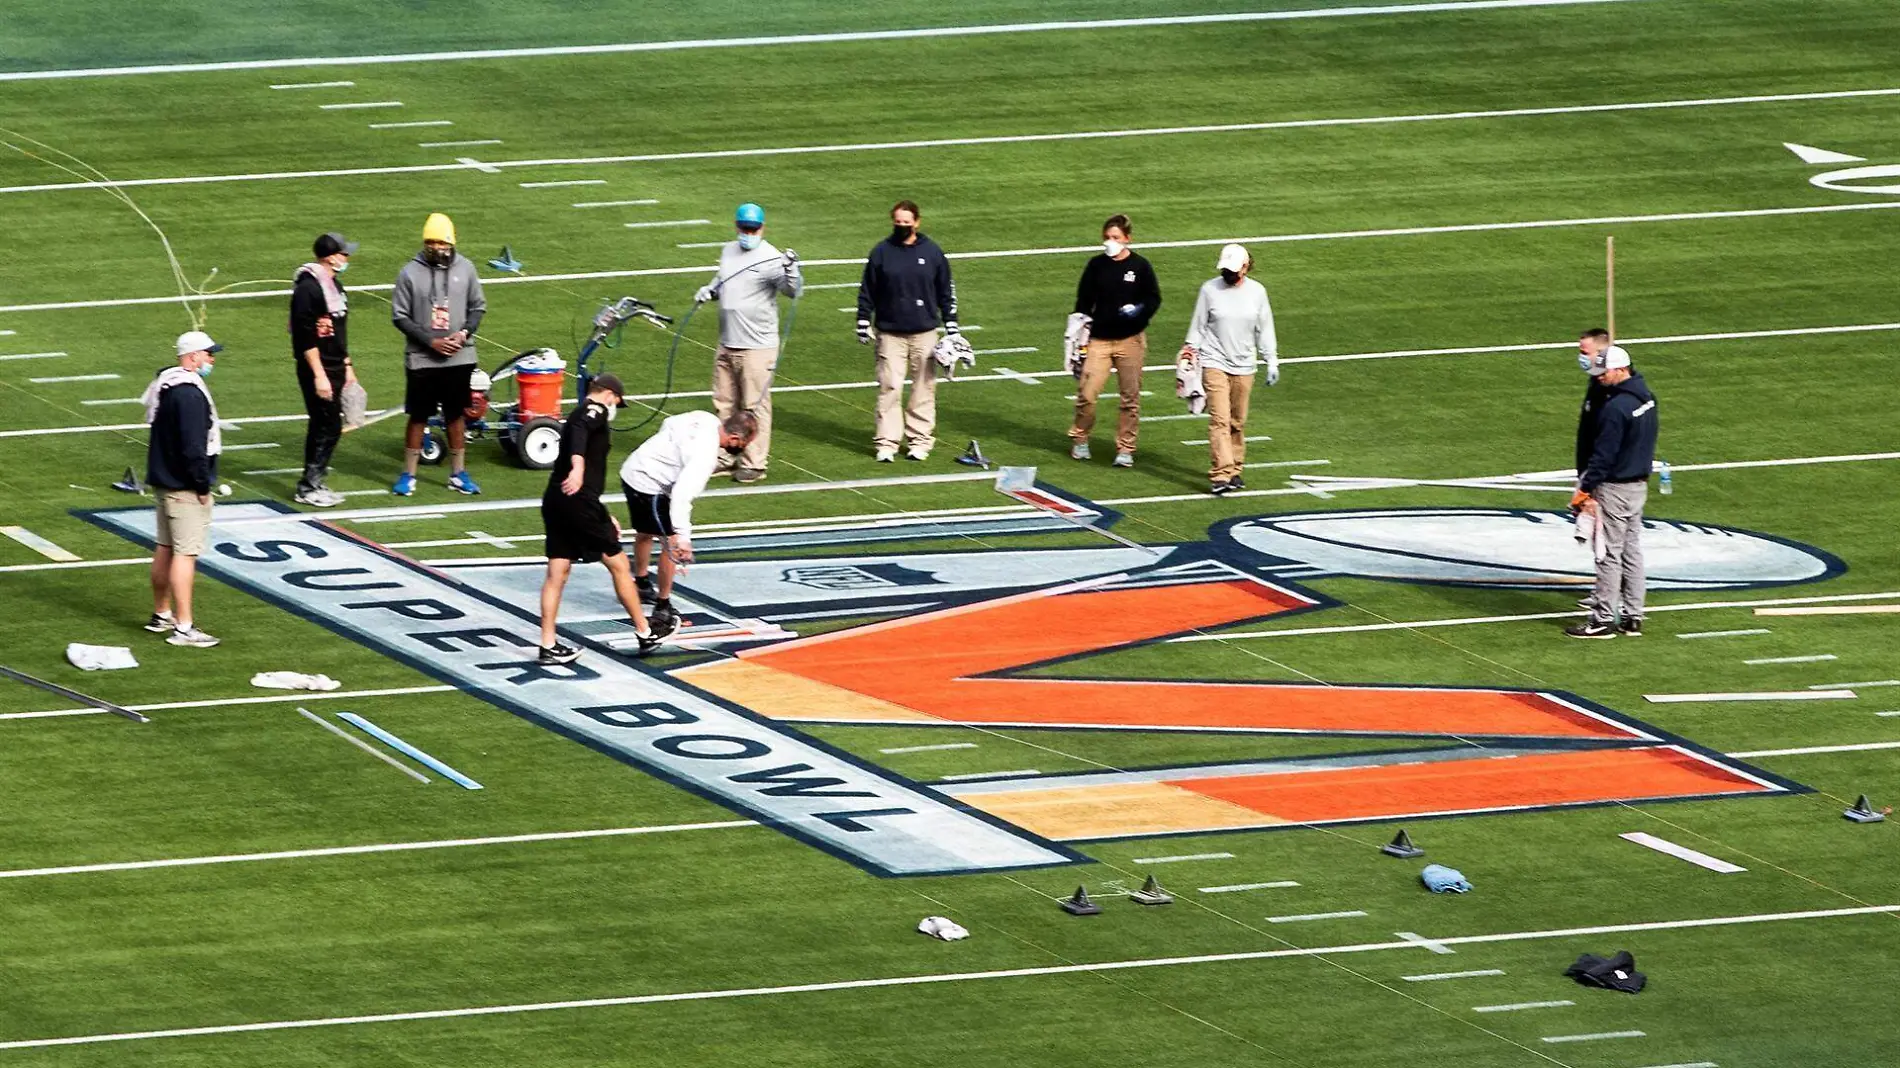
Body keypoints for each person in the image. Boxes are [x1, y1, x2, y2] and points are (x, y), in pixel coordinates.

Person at [536, 374, 675, 665]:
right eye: (616, 401)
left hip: (558, 499)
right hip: (579, 500)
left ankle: (547, 644)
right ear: (610, 394)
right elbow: (579, 430)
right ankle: (645, 630)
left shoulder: (580, 411)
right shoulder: (594, 410)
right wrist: (577, 467)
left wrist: (600, 510)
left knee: (557, 572)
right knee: (619, 564)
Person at [620, 409, 759, 629]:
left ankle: (642, 582)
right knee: (670, 545)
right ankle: (663, 606)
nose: (742, 448)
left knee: (645, 530)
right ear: (734, 439)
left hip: (633, 469)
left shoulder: (705, 418)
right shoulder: (705, 456)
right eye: (744, 443)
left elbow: (669, 422)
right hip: (649, 484)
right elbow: (682, 497)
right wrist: (683, 539)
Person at [694, 202, 801, 484]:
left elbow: (793, 291)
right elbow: (724, 278)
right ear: (737, 226)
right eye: (744, 228)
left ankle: (754, 462)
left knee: (754, 406)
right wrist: (711, 290)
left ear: (762, 228)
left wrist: (791, 269)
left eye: (753, 229)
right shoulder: (729, 250)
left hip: (757, 346)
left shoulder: (771, 258)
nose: (748, 233)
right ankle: (727, 455)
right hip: (727, 339)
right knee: (725, 403)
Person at [1565, 339, 1658, 639]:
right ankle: (1633, 616)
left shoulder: (1615, 408)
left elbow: (1603, 456)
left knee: (1607, 554)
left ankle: (1603, 619)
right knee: (1632, 551)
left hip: (1615, 488)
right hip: (1638, 484)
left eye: (1604, 372)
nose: (1599, 376)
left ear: (1620, 370)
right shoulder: (1646, 397)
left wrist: (1585, 489)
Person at [390, 212, 485, 497]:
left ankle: (458, 473)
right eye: (430, 243)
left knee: (456, 415)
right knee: (418, 416)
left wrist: (464, 334)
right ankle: (409, 474)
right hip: (422, 358)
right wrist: (431, 342)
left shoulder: (466, 269)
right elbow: (400, 317)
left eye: (441, 243)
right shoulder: (409, 272)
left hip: (459, 356)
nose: (436, 248)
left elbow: (478, 308)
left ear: (451, 242)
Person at [140, 330, 225, 648]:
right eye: (207, 353)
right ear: (192, 357)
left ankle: (162, 614)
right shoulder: (188, 393)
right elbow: (194, 447)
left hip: (165, 479)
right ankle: (184, 627)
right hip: (183, 484)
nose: (211, 359)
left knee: (164, 548)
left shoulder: (168, 382)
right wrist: (201, 485)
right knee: (185, 554)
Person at [856, 199, 958, 462]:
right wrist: (863, 320)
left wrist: (953, 327)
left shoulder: (933, 252)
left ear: (917, 222)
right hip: (890, 332)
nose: (902, 226)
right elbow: (868, 289)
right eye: (897, 222)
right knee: (889, 387)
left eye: (906, 222)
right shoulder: (881, 252)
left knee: (924, 388)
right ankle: (887, 443)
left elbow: (946, 291)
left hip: (924, 331)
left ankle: (920, 440)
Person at [1180, 243, 1278, 495]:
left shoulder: (1257, 292)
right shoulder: (1209, 290)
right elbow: (1198, 326)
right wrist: (1190, 352)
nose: (1228, 274)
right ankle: (1220, 474)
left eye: (1233, 269)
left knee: (1237, 420)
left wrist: (1272, 359)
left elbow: (1264, 328)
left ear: (1245, 267)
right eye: (1225, 269)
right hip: (1214, 361)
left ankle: (1235, 468)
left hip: (1244, 364)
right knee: (1220, 419)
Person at [1068, 213, 1161, 467]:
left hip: (1130, 340)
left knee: (1130, 398)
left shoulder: (1140, 267)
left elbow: (1153, 298)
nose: (1110, 241)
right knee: (1087, 393)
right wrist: (1078, 336)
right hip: (1099, 339)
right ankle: (1080, 438)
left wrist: (1138, 310)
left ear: (1127, 239)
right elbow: (1083, 302)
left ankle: (1125, 448)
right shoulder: (1096, 266)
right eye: (1107, 237)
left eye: (1116, 237)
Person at [289, 232, 357, 508]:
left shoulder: (334, 287)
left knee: (331, 424)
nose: (347, 258)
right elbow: (305, 337)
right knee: (324, 424)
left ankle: (316, 481)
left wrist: (348, 366)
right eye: (344, 253)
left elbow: (338, 334)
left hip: (335, 365)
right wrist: (319, 375)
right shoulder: (308, 289)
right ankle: (308, 486)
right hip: (318, 369)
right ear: (330, 256)